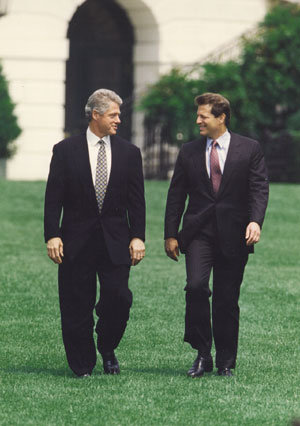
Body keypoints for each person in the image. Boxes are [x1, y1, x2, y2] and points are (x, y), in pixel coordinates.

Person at [164, 93, 269, 377]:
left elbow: (259, 189)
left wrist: (255, 221)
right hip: (198, 232)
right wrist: (170, 234)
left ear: (221, 118)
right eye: (198, 115)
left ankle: (225, 360)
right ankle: (201, 353)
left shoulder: (250, 149)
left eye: (203, 116)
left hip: (235, 234)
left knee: (226, 297)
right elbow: (176, 195)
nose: (198, 120)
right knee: (196, 287)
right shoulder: (188, 151)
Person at [44, 88, 146, 378]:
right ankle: (82, 365)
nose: (118, 121)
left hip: (116, 242)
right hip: (75, 241)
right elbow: (53, 198)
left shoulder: (130, 153)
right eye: (113, 115)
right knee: (76, 304)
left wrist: (138, 236)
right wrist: (52, 234)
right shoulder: (65, 151)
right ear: (96, 115)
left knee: (119, 298)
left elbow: (137, 201)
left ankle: (107, 344)